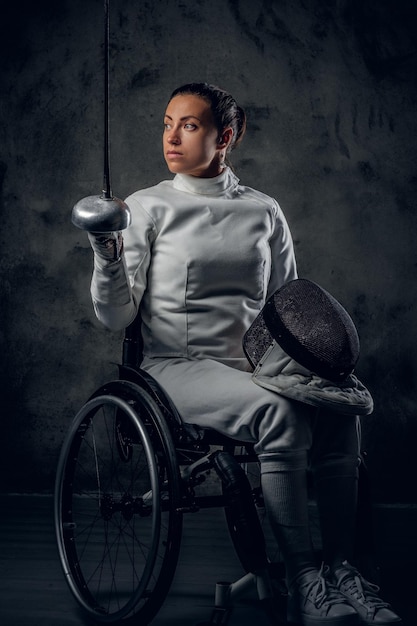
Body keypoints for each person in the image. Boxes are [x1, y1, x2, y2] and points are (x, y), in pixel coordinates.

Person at [86, 82, 401, 626]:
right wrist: (107, 255)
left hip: (256, 370)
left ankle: (343, 569)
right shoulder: (145, 206)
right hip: (174, 371)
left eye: (189, 124)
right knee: (278, 412)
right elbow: (115, 316)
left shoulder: (263, 211)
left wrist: (315, 374)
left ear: (225, 136)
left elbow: (288, 306)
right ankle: (304, 582)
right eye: (167, 123)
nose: (172, 136)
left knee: (337, 407)